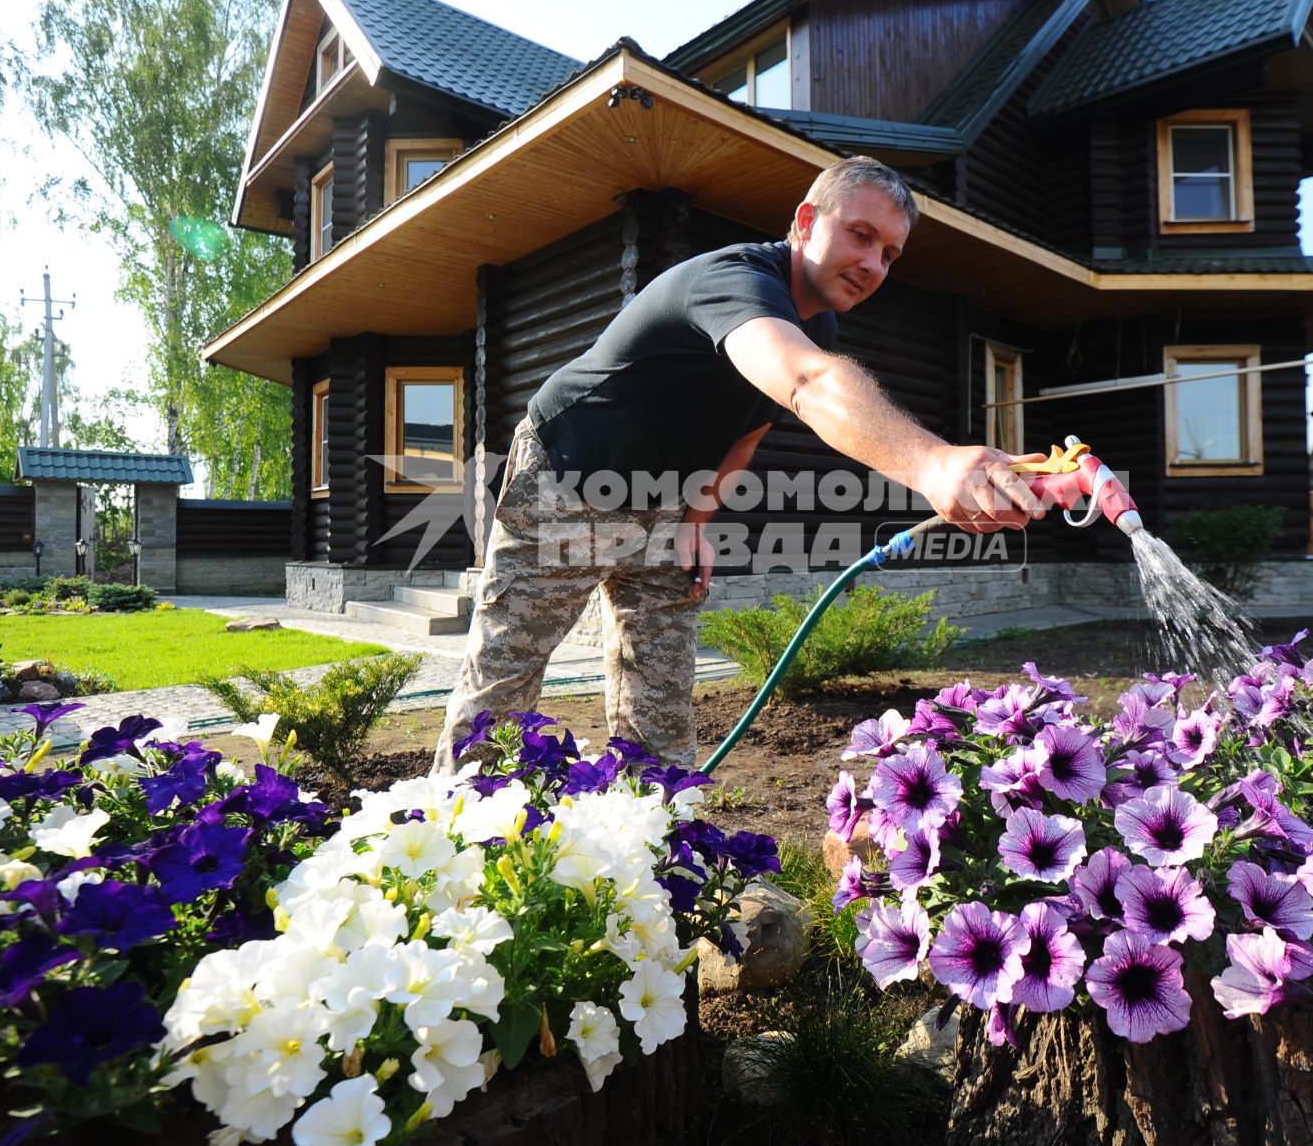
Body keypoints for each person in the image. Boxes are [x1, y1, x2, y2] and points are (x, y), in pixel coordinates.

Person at [436, 156, 1045, 769]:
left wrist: (696, 520)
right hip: (569, 475)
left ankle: (657, 833)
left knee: (661, 694)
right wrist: (932, 463)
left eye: (889, 254)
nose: (872, 264)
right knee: (505, 676)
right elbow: (806, 381)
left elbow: (744, 436)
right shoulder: (734, 282)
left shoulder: (818, 324)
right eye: (861, 235)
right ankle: (452, 836)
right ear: (806, 222)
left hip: (667, 498)